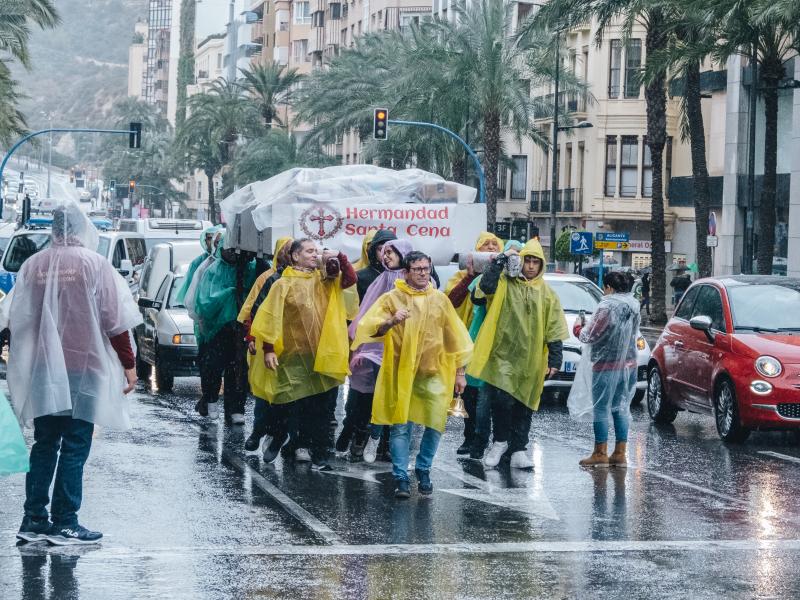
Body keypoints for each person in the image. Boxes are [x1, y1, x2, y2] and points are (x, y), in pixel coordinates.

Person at [7, 202, 141, 544]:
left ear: (53, 229)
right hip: (84, 366)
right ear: (81, 229)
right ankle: (65, 521)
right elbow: (116, 320)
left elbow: (14, 317)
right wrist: (128, 364)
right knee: (76, 443)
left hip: (42, 369)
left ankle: (34, 519)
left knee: (45, 442)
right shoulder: (94, 264)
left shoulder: (32, 265)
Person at [353, 251, 472, 498]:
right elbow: (370, 328)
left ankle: (424, 468)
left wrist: (460, 371)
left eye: (426, 269)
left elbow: (455, 337)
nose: (422, 273)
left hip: (435, 372)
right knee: (400, 426)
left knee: (435, 424)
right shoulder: (392, 298)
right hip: (400, 372)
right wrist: (390, 321)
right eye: (417, 269)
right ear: (405, 272)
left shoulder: (440, 300)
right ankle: (401, 477)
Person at [249, 239, 356, 470]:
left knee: (317, 406)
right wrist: (268, 349)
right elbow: (270, 317)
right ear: (295, 256)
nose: (314, 255)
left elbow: (350, 279)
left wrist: (339, 256)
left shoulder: (324, 280)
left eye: (317, 251)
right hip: (290, 357)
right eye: (309, 251)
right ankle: (278, 436)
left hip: (319, 354)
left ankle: (311, 448)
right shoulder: (282, 284)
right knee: (288, 402)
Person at [468, 239, 569, 469]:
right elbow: (481, 292)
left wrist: (555, 358)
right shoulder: (505, 282)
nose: (531, 266)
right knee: (501, 401)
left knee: (526, 403)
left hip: (531, 359)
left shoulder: (547, 293)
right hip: (502, 354)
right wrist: (500, 262)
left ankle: (519, 449)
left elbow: (554, 326)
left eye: (536, 262)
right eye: (528, 261)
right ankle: (500, 441)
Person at [337, 239, 413, 460]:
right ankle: (360, 434)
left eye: (391, 252)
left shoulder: (410, 283)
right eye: (384, 252)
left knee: (392, 397)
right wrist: (358, 344)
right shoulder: (380, 280)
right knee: (365, 395)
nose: (386, 256)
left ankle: (384, 442)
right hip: (374, 348)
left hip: (400, 349)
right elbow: (365, 314)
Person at [568, 271, 640, 468]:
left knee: (601, 408)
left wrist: (578, 327)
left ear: (608, 287)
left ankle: (600, 453)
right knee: (620, 406)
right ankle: (620, 453)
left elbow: (589, 336)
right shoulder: (633, 304)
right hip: (629, 365)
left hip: (606, 364)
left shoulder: (607, 305)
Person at [193, 234, 257, 424]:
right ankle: (211, 399)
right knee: (212, 366)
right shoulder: (211, 270)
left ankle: (236, 408)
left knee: (238, 369)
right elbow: (203, 302)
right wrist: (227, 295)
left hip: (241, 329)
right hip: (216, 330)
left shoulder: (250, 269)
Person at [241, 237, 293, 458]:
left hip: (293, 350)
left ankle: (279, 436)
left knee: (286, 397)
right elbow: (255, 309)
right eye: (286, 250)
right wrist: (251, 337)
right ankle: (258, 430)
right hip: (268, 345)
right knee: (265, 394)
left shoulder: (309, 280)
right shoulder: (269, 279)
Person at [445, 232, 502, 330]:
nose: (491, 247)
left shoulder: (503, 276)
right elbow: (450, 302)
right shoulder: (462, 274)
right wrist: (470, 277)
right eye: (486, 243)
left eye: (494, 244)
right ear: (478, 249)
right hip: (466, 330)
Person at [175, 225, 223, 304]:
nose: (212, 241)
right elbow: (190, 291)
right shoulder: (197, 263)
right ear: (205, 240)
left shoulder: (228, 263)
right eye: (209, 238)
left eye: (217, 239)